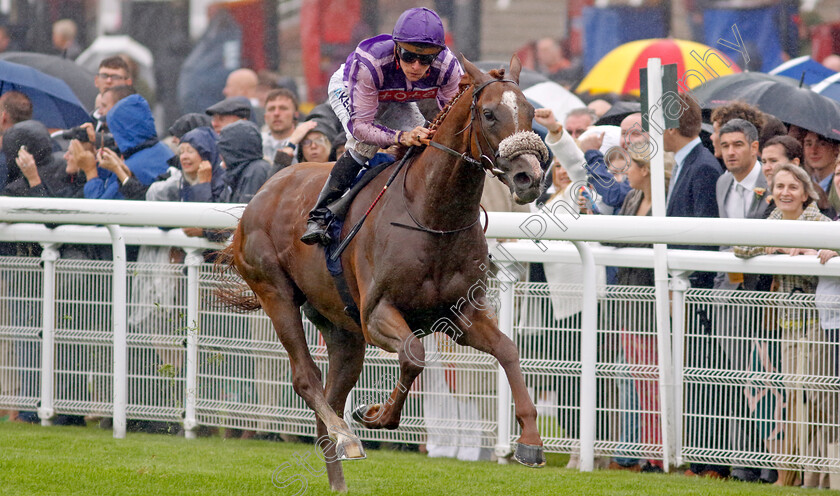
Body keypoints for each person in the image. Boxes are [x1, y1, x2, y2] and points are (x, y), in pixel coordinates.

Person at [300, 7, 463, 246]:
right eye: (409, 56)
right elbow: (362, 127)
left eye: (426, 59)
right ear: (397, 48)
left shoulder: (448, 67)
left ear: (437, 55)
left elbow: (453, 118)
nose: (416, 66)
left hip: (397, 97)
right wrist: (401, 136)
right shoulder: (371, 62)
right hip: (351, 90)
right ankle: (320, 216)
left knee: (424, 142)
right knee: (363, 145)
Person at [734, 163, 835, 489]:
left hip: (818, 323)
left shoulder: (818, 222)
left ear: (806, 193)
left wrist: (810, 251)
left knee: (818, 399)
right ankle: (796, 475)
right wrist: (774, 246)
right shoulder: (773, 221)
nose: (785, 193)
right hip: (789, 323)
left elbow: (829, 255)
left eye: (792, 187)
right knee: (795, 399)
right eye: (779, 187)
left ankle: (812, 475)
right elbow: (739, 247)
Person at [712, 119, 774, 483]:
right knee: (734, 380)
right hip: (726, 296)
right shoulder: (722, 182)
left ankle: (771, 466)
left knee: (764, 382)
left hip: (765, 298)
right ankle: (742, 462)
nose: (731, 152)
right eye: (726, 145)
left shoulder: (774, 182)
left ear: (754, 148)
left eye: (738, 145)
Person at [81, 94, 173, 201]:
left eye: (115, 131)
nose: (114, 139)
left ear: (122, 131)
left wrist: (90, 171)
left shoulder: (129, 168)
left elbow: (101, 210)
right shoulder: (164, 150)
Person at [261, 88, 300, 161]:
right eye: (271, 109)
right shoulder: (258, 144)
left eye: (283, 108)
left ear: (295, 115)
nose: (276, 113)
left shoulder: (305, 145)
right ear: (265, 117)